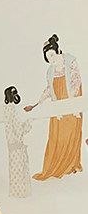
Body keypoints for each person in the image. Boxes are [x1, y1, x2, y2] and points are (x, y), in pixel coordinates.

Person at [24, 34, 83, 179]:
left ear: (56, 50)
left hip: (72, 102)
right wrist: (37, 103)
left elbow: (76, 80)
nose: (51, 59)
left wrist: (71, 100)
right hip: (58, 107)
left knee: (72, 133)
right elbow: (49, 89)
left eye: (51, 55)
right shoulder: (50, 71)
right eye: (48, 58)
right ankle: (56, 166)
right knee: (57, 136)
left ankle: (71, 164)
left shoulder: (70, 61)